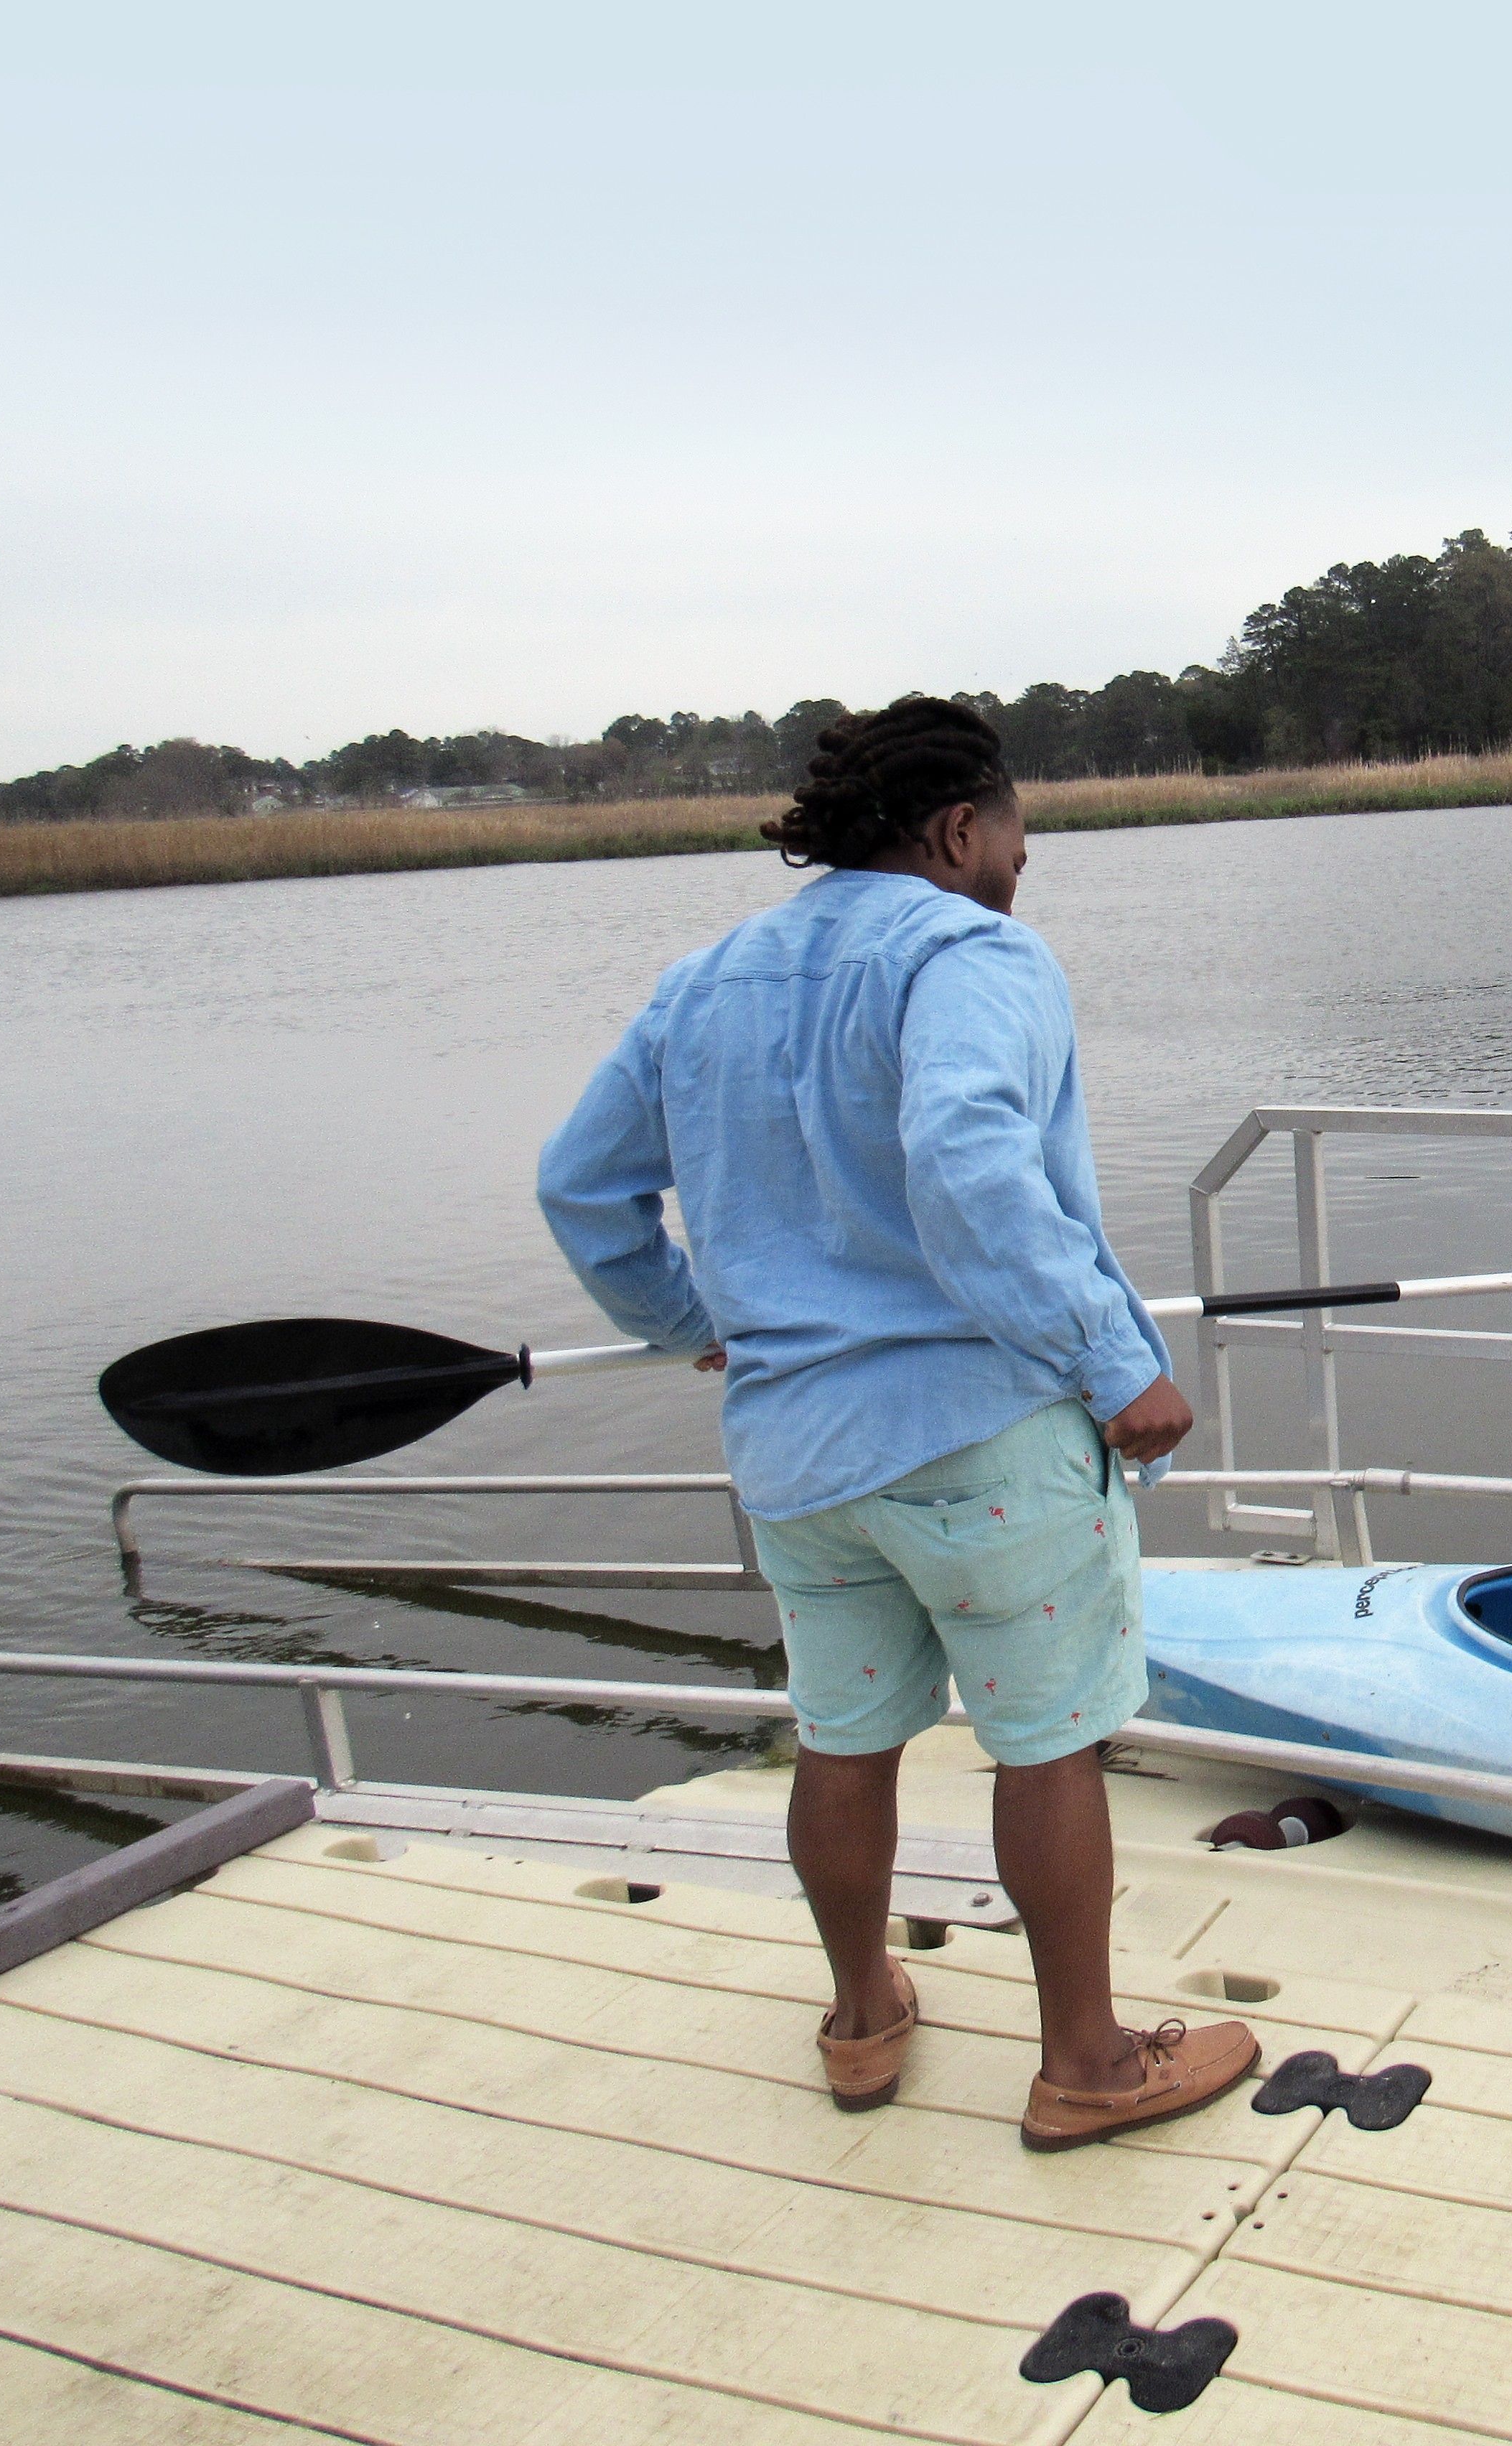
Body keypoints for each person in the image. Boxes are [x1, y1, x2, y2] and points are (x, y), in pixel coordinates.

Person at [537, 693, 1256, 2148]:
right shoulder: (976, 953)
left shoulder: (705, 981)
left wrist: (699, 1323)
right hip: (981, 1435)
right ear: (956, 828)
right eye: (1014, 839)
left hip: (798, 1457)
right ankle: (1087, 2065)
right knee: (1045, 1746)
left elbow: (580, 1188)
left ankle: (864, 2020)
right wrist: (1116, 1364)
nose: (1019, 868)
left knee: (843, 1742)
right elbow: (963, 1154)